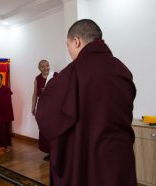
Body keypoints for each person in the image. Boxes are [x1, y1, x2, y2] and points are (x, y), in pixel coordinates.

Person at [36, 19, 137, 186]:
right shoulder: (122, 69)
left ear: (76, 41)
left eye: (67, 45)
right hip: (119, 157)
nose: (69, 51)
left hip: (86, 159)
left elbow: (45, 114)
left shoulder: (72, 72)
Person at [31, 60, 58, 161]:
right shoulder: (37, 79)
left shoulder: (55, 75)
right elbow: (34, 94)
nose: (46, 68)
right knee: (44, 129)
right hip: (42, 107)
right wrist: (33, 107)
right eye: (43, 66)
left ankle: (56, 152)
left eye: (47, 65)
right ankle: (49, 151)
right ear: (39, 68)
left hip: (54, 107)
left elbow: (61, 90)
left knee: (54, 129)